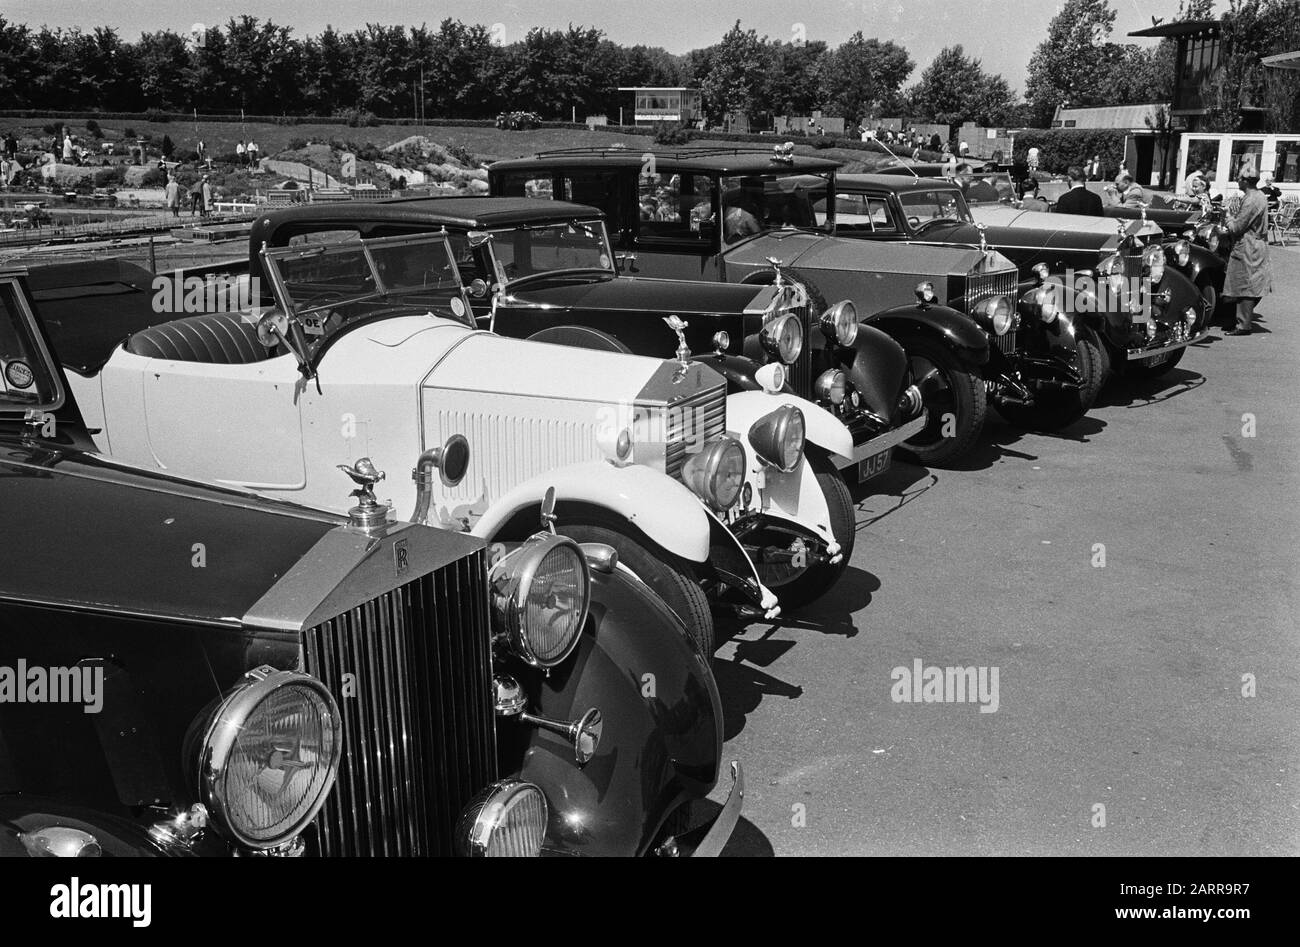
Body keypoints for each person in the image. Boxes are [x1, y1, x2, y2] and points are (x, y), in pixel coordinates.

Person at [1223, 170, 1272, 335]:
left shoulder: (1251, 200)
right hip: (1256, 243)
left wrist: (1228, 217)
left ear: (1246, 181)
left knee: (1245, 285)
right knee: (1250, 283)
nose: (1237, 180)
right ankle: (1238, 320)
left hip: (1248, 246)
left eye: (1239, 178)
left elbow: (1237, 227)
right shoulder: (1259, 196)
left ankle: (1243, 324)